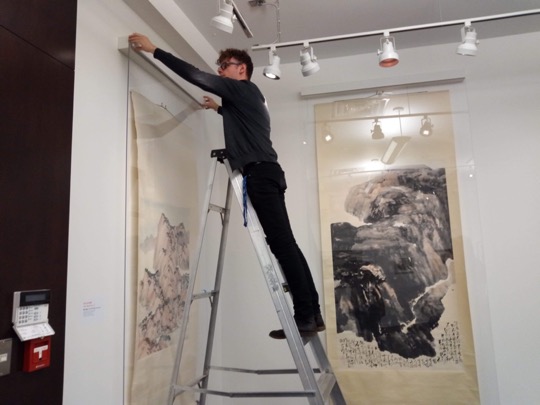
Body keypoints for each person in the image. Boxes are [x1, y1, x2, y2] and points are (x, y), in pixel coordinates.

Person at [128, 33, 324, 339]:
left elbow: (196, 76)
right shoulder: (251, 97)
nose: (220, 71)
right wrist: (218, 110)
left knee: (283, 247)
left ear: (241, 69)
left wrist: (155, 50)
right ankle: (313, 314)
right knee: (289, 246)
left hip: (259, 175)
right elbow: (247, 124)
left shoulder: (240, 88)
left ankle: (304, 319)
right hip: (268, 172)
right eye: (219, 66)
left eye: (225, 66)